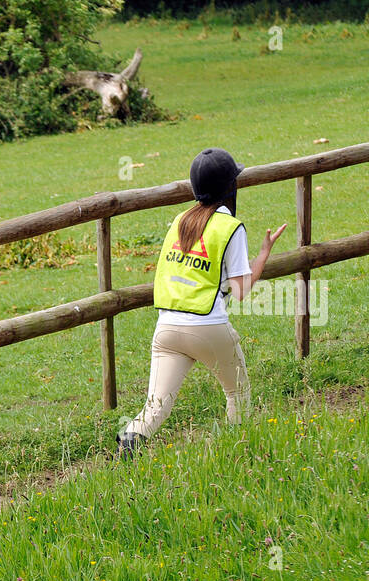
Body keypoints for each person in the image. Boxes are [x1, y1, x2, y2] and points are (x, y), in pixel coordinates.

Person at [118, 148, 286, 455]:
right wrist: (263, 253)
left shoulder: (180, 220)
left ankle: (124, 454)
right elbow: (240, 290)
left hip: (166, 328)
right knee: (238, 394)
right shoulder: (230, 227)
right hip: (208, 327)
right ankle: (238, 455)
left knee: (154, 409)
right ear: (230, 187)